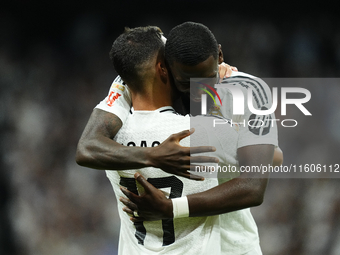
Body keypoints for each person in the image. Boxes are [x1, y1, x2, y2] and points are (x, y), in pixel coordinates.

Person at [116, 22, 281, 255]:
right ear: (166, 69)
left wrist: (172, 207)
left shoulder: (247, 91)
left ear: (220, 56)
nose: (199, 90)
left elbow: (267, 168)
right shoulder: (154, 101)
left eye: (208, 78)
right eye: (186, 83)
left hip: (233, 244)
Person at [103, 25, 242, 255]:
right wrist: (220, 84)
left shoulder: (110, 140)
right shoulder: (197, 131)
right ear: (163, 69)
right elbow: (270, 160)